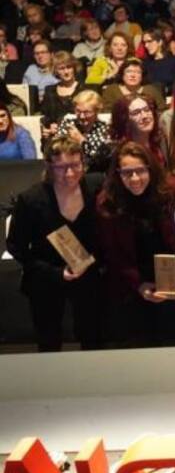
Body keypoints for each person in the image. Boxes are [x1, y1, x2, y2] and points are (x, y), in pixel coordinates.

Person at [7, 139, 105, 351]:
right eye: (61, 167)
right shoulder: (31, 199)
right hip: (46, 280)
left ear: (83, 162)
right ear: (49, 166)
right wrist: (56, 273)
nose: (69, 173)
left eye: (75, 165)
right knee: (49, 340)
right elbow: (16, 246)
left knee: (93, 337)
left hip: (89, 276)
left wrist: (97, 259)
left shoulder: (95, 188)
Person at [95, 141, 175, 346]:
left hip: (172, 283)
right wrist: (139, 285)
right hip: (129, 286)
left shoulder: (172, 190)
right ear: (117, 174)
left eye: (140, 171)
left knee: (171, 345)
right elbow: (112, 254)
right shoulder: (107, 202)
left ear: (150, 169)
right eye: (127, 173)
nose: (135, 178)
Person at [56, 89, 110, 171]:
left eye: (87, 112)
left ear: (97, 111)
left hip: (94, 171)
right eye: (78, 111)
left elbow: (98, 159)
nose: (82, 116)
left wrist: (81, 141)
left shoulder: (104, 129)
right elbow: (58, 150)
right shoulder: (68, 124)